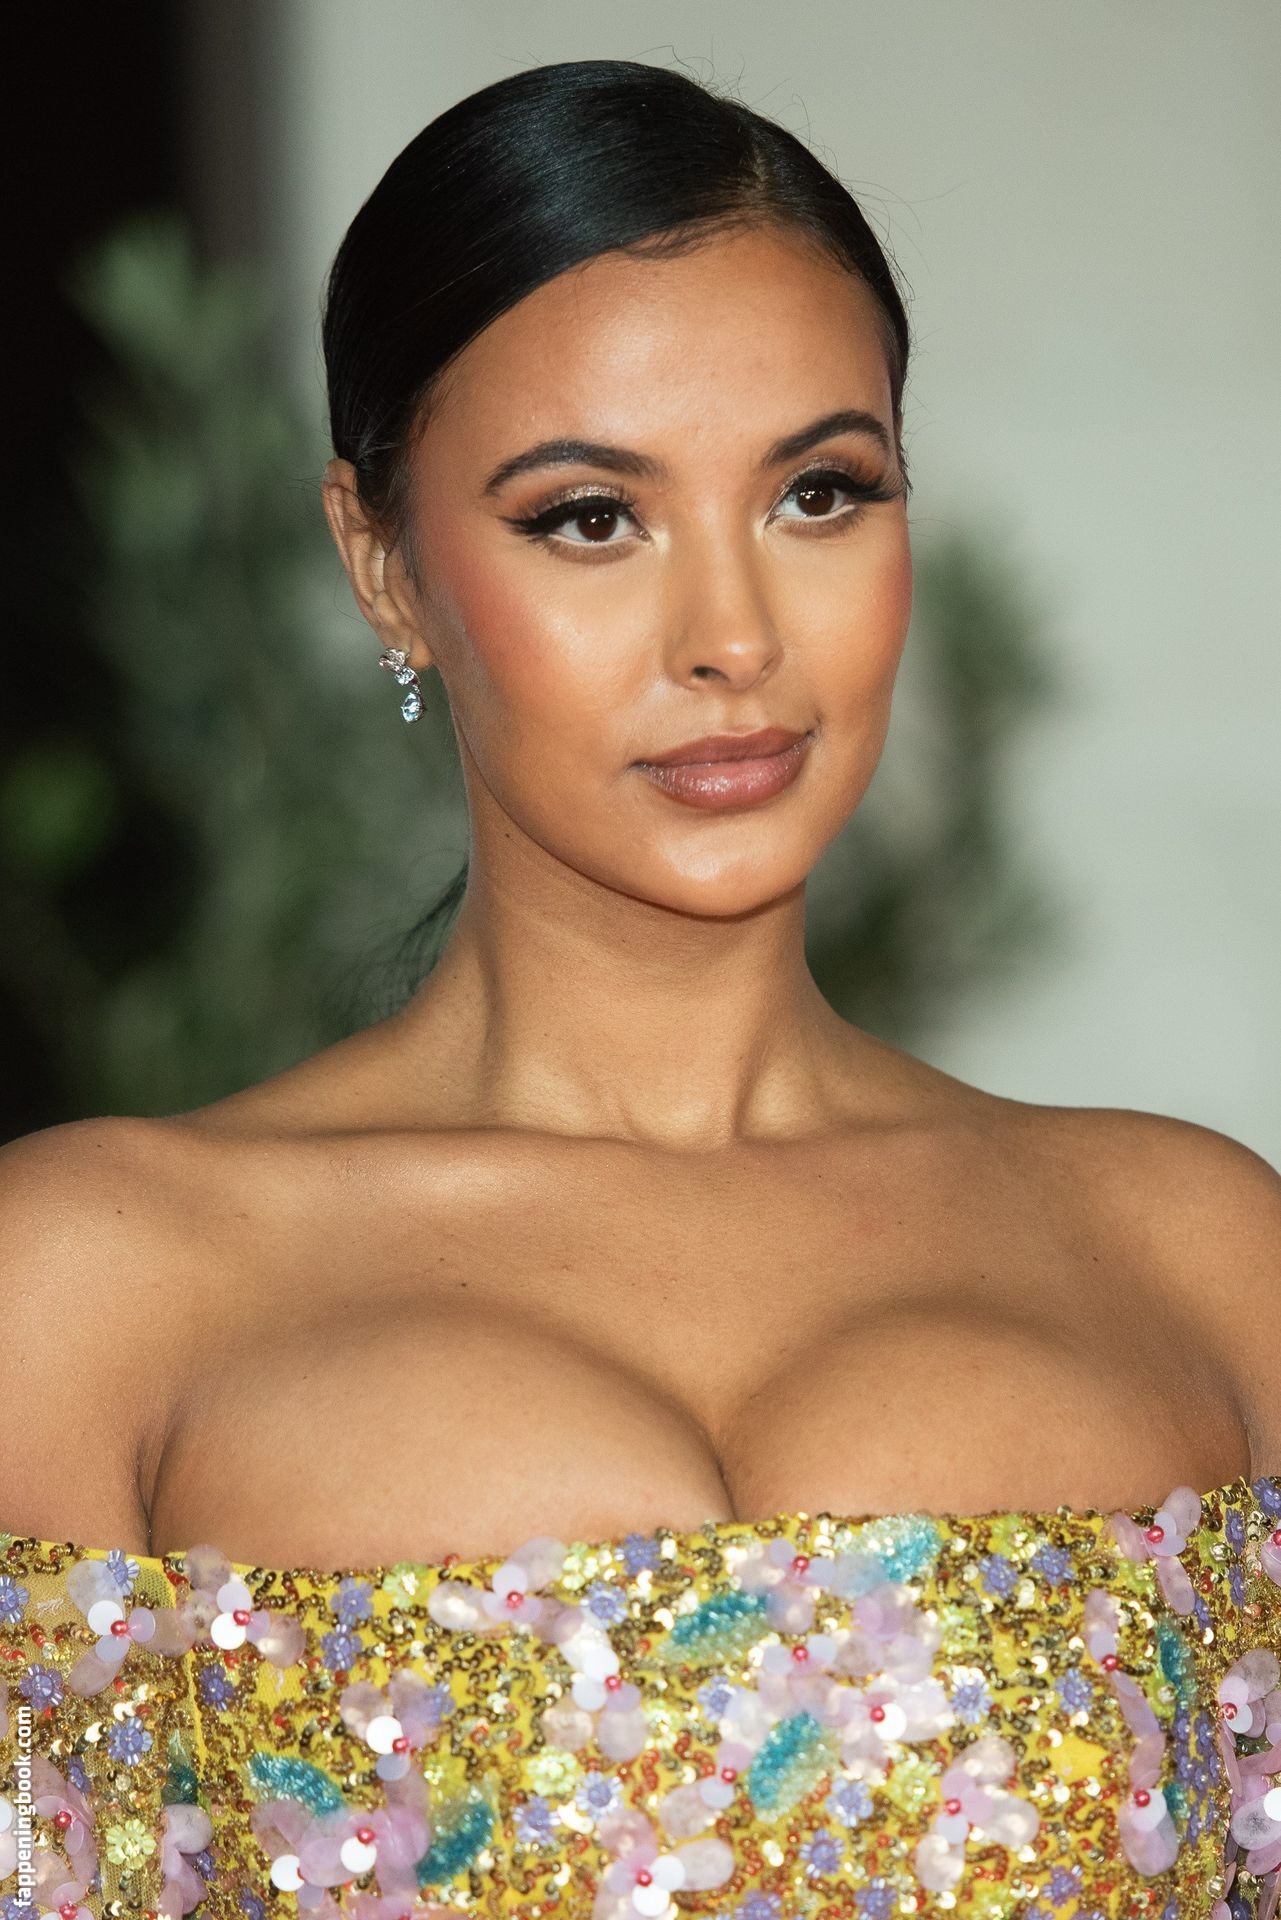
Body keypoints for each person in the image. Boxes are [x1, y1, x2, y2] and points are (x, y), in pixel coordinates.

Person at [2, 57, 1278, 1920]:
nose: (732, 638)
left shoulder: (1199, 1253)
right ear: (381, 564)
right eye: (590, 516)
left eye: (820, 493)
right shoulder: (87, 1286)